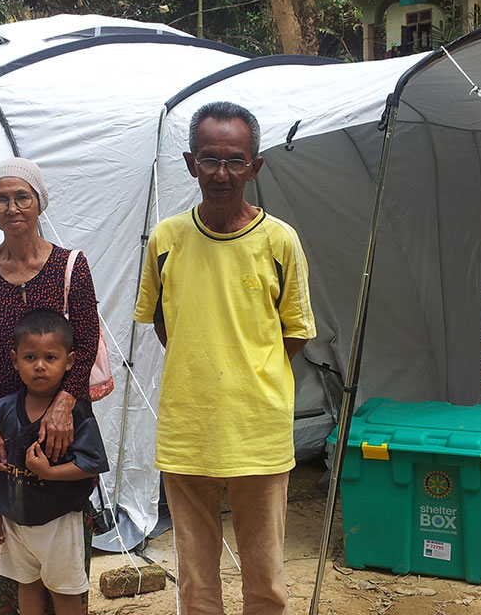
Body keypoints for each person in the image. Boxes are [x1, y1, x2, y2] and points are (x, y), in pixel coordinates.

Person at [133, 101, 316, 614]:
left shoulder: (280, 241)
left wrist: (247, 369)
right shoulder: (166, 239)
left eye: (235, 161)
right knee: (195, 576)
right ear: (191, 163)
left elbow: (295, 332)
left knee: (266, 576)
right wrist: (204, 359)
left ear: (255, 166)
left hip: (258, 427)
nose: (221, 173)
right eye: (209, 159)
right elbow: (165, 323)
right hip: (186, 427)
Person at [0, 157, 101, 615]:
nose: (12, 206)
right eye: (2, 197)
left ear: (39, 202)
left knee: (64, 547)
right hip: (3, 431)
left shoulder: (69, 267)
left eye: (23, 196)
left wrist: (63, 405)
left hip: (57, 427)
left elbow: (87, 336)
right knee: (11, 554)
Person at [0, 309, 109, 615]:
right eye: (30, 358)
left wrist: (49, 472)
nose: (40, 366)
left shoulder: (75, 413)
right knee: (27, 585)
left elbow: (90, 463)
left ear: (69, 362)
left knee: (66, 592)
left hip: (59, 522)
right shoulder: (2, 410)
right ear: (14, 360)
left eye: (50, 358)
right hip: (15, 521)